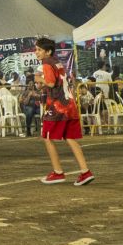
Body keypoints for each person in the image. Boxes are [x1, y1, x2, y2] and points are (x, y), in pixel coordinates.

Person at [35, 38, 92, 186]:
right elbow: (58, 82)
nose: (37, 53)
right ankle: (85, 171)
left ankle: (58, 172)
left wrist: (38, 78)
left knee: (47, 137)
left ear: (48, 51)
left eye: (39, 50)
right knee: (69, 138)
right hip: (70, 104)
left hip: (58, 105)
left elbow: (51, 83)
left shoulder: (47, 63)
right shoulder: (58, 62)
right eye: (36, 50)